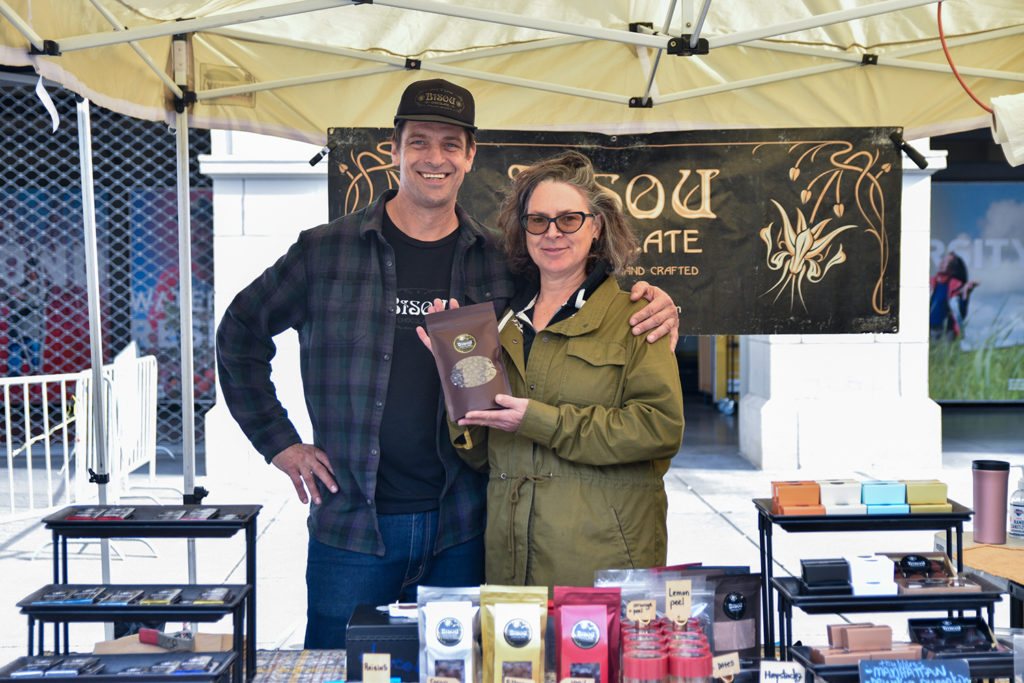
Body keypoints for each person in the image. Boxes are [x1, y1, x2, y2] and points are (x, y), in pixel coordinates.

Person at [215, 79, 680, 648]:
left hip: (464, 527)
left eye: (450, 144)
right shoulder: (325, 252)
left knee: (456, 670)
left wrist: (655, 299)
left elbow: (577, 285)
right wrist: (279, 443)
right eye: (419, 142)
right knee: (342, 668)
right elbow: (239, 332)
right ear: (394, 150)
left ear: (470, 156)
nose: (434, 158)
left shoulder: (502, 264)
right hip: (353, 527)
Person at [419, 151, 684, 587]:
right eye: (537, 220)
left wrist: (540, 421)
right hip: (510, 561)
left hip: (600, 562)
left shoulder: (637, 317)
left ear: (597, 227)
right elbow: (484, 454)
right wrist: (455, 379)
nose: (552, 233)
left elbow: (659, 429)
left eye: (569, 219)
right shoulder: (504, 325)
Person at [929, 251, 978, 340]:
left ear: (953, 269)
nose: (942, 263)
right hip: (927, 331)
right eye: (943, 260)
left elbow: (960, 313)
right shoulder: (929, 283)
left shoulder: (956, 286)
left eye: (948, 262)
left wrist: (966, 294)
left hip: (947, 333)